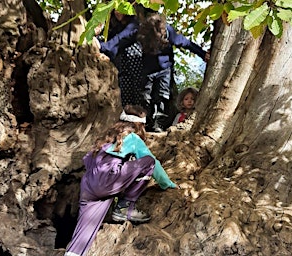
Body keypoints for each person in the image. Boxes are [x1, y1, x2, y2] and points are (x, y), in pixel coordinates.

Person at [64, 105, 177, 256]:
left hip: (89, 184)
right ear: (140, 125)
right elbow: (154, 164)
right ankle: (125, 207)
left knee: (83, 233)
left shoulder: (106, 137)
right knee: (148, 161)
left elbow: (87, 160)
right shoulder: (132, 138)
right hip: (108, 181)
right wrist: (167, 184)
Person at [99, 9, 209, 132]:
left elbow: (186, 43)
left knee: (162, 95)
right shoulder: (140, 30)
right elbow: (120, 40)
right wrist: (102, 47)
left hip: (164, 69)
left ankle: (159, 124)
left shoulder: (168, 32)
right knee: (145, 96)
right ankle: (146, 122)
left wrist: (203, 54)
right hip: (148, 69)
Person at [97, 10, 145, 107]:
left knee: (139, 91)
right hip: (123, 67)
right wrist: (96, 36)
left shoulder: (134, 24)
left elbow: (119, 39)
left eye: (120, 9)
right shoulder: (115, 27)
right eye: (115, 10)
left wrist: (101, 46)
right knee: (125, 93)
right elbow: (110, 44)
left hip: (135, 62)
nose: (117, 12)